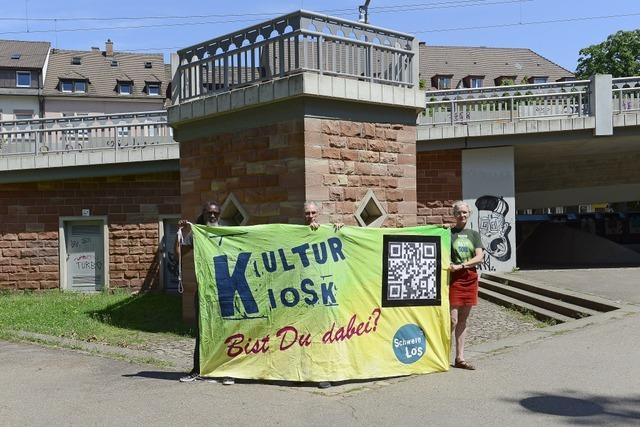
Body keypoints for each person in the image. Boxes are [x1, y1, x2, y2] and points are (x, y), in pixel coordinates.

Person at [176, 201, 234, 385]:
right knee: (203, 331)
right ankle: (197, 369)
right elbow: (179, 254)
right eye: (209, 213)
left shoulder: (226, 233)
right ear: (204, 213)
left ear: (220, 215)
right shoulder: (197, 233)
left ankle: (227, 371)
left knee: (226, 330)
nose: (212, 216)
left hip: (225, 289)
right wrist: (180, 233)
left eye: (215, 213)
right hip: (204, 290)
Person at [304, 201, 341, 389]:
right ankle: (315, 373)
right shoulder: (296, 233)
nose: (310, 216)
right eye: (307, 213)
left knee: (330, 335)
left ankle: (330, 372)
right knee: (311, 337)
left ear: (319, 214)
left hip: (327, 296)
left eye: (313, 212)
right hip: (306, 298)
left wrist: (341, 230)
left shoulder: (327, 231)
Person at [448, 200, 484, 370]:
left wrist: (462, 265)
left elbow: (479, 257)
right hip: (454, 279)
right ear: (454, 215)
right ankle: (442, 356)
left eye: (464, 212)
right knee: (452, 320)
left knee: (463, 319)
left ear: (468, 214)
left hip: (469, 277)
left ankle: (460, 357)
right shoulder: (449, 233)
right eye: (458, 212)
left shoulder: (474, 234)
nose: (461, 215)